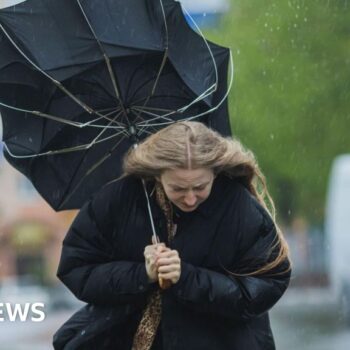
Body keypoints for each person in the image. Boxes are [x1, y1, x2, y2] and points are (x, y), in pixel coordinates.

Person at [53, 121, 291, 350]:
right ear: (157, 174)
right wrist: (142, 274)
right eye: (177, 188)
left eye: (200, 187)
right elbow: (76, 269)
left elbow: (265, 286)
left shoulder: (239, 208)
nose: (190, 198)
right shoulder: (117, 200)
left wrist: (186, 277)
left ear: (215, 173)